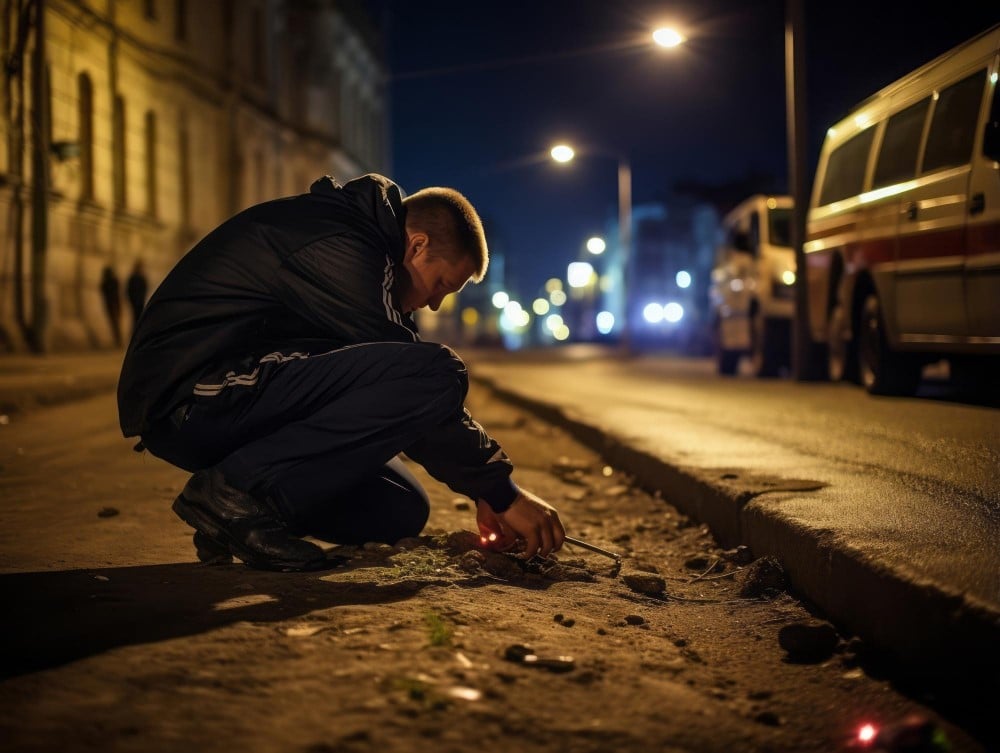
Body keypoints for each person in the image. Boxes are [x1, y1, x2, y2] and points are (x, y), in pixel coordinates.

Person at [117, 174, 565, 571]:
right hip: (193, 395)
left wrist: (484, 490)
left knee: (398, 508)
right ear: (418, 245)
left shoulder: (374, 262)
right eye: (443, 285)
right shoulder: (341, 244)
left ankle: (235, 518)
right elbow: (419, 383)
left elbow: (396, 389)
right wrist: (501, 492)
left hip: (240, 394)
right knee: (439, 372)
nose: (434, 303)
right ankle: (233, 497)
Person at [99, 265, 122, 347]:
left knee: (114, 323)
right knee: (116, 323)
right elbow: (117, 293)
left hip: (109, 304)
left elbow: (104, 294)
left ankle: (118, 340)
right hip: (115, 304)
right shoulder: (114, 281)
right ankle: (118, 340)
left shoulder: (104, 283)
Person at [125, 259, 148, 332]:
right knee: (137, 319)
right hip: (136, 302)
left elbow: (144, 289)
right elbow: (129, 290)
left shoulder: (138, 278)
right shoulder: (136, 278)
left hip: (137, 302)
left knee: (137, 319)